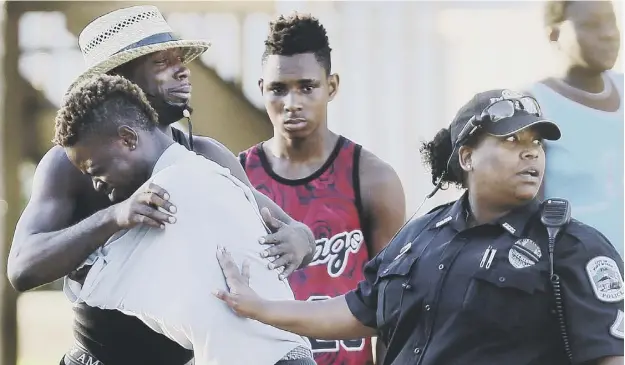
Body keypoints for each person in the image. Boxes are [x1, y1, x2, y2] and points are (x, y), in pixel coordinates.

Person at [218, 89, 625, 365]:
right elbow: (358, 310)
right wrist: (259, 307)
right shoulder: (421, 237)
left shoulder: (572, 247)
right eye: (510, 141)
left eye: (535, 142)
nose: (530, 153)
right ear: (466, 157)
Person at [7, 6, 316, 365]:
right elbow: (23, 267)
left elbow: (290, 231)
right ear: (118, 82)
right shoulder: (75, 164)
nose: (182, 69)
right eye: (161, 63)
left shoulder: (205, 157)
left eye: (180, 59)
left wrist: (300, 239)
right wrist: (116, 216)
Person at [54, 73, 316, 365]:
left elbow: (88, 280)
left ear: (128, 138)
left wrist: (93, 268)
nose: (97, 185)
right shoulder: (208, 173)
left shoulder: (167, 193)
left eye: (96, 170)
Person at [238, 13, 406, 365]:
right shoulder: (238, 178)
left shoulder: (372, 179)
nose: (291, 102)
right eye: (278, 89)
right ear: (261, 89)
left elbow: (392, 308)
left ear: (331, 86)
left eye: (306, 87)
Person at [527, 0, 623, 256]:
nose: (609, 33)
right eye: (591, 24)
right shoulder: (535, 107)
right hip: (576, 282)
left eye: (611, 20)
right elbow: (524, 216)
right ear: (555, 34)